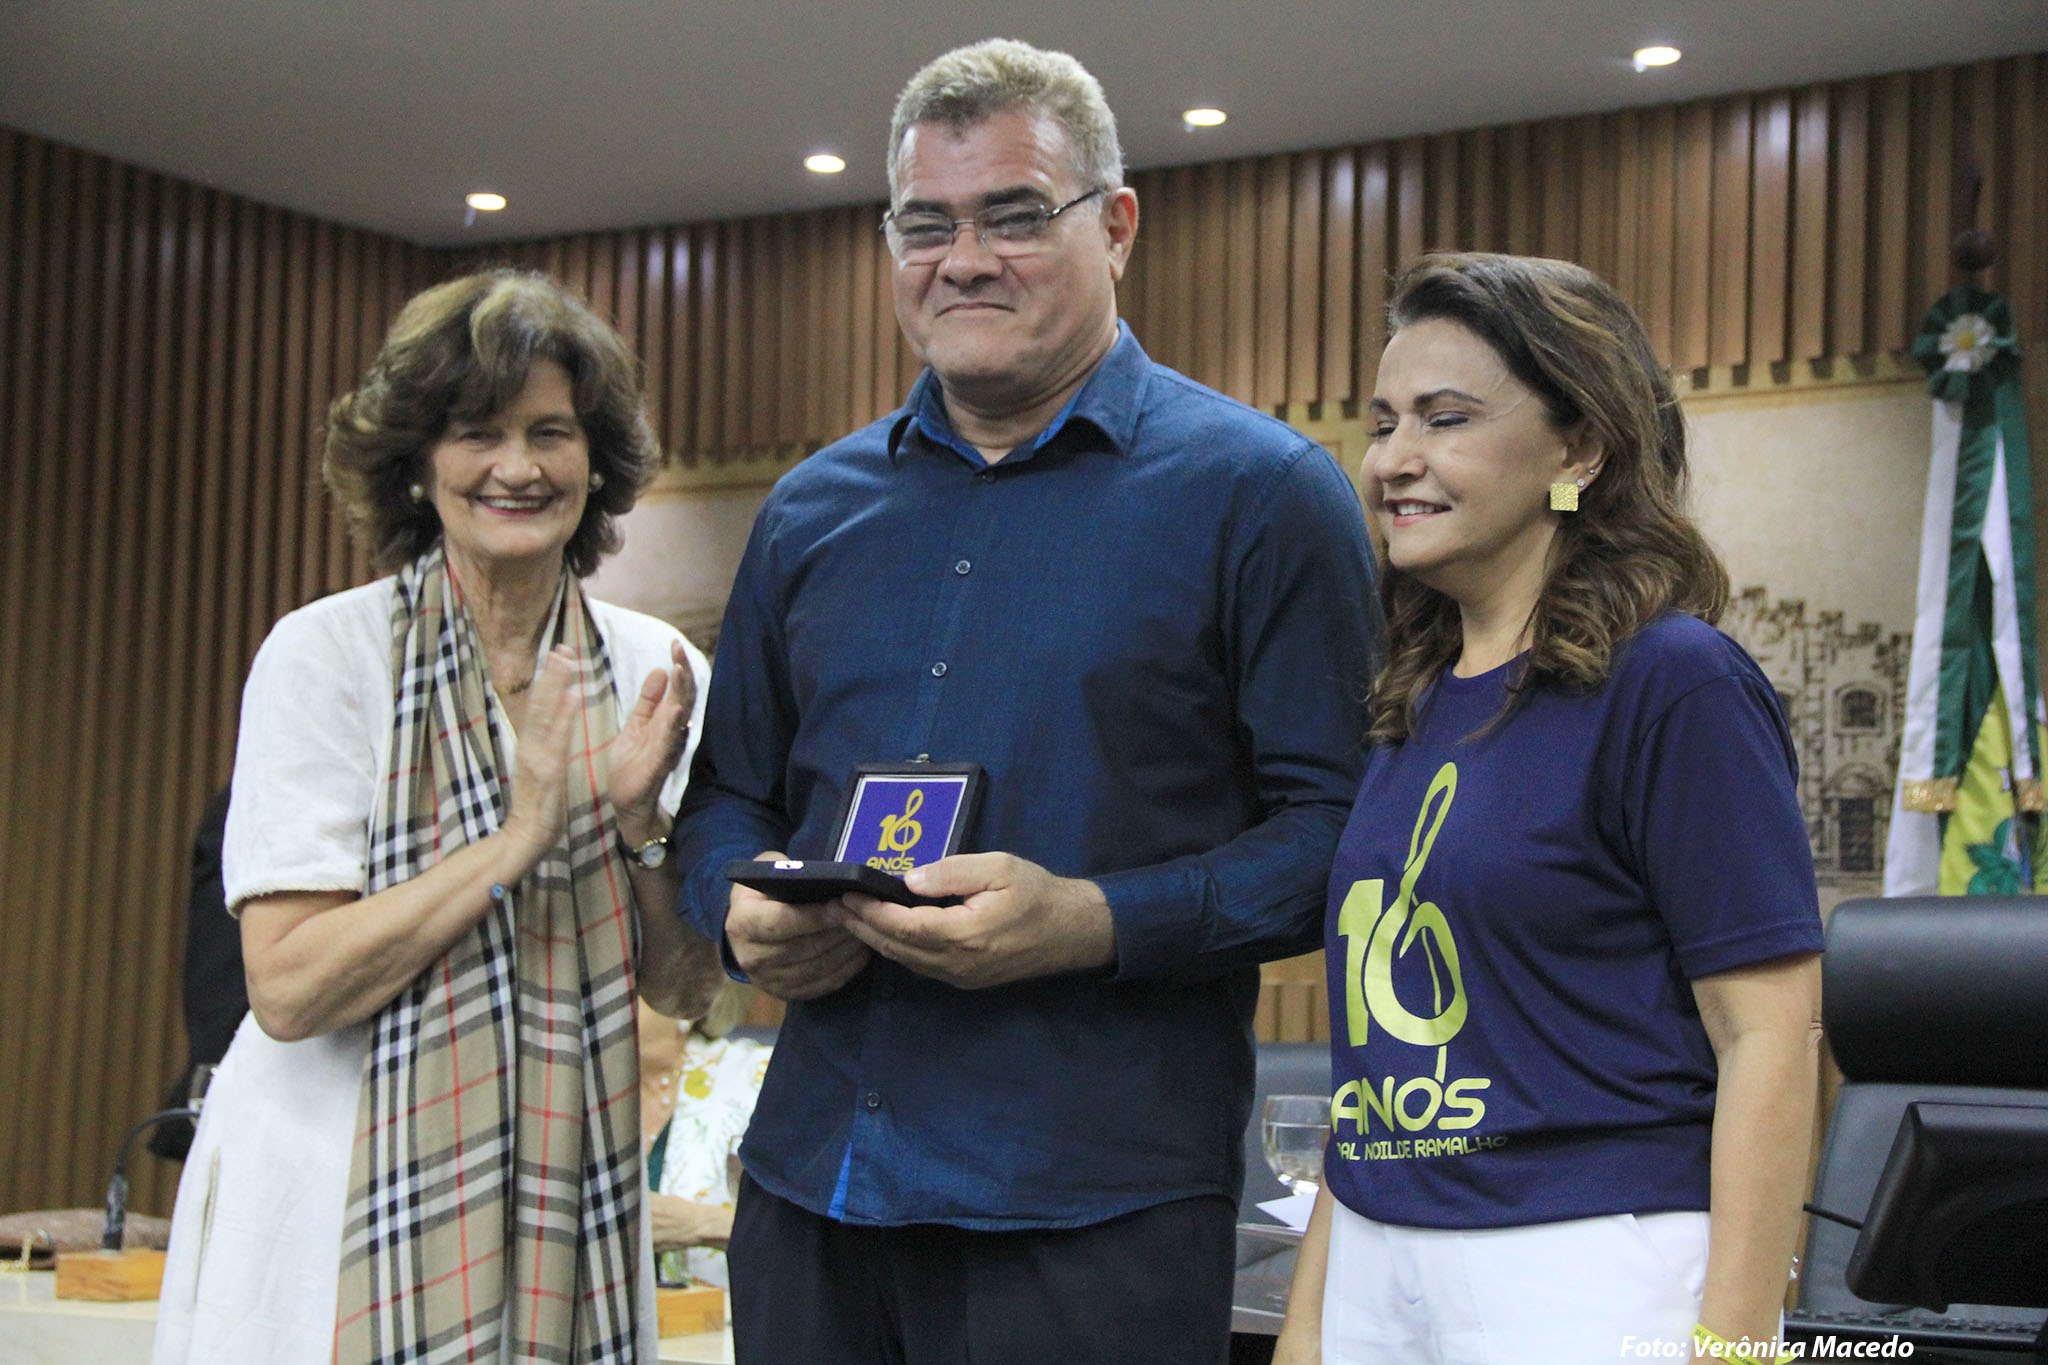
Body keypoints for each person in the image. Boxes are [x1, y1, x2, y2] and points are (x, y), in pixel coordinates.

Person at [672, 37, 1380, 1365]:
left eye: (1012, 216)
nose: (964, 259)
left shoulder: (1263, 496)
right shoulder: (811, 512)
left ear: (1115, 227)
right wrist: (738, 912)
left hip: (1094, 1214)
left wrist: (1093, 923)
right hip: (811, 1193)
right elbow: (726, 800)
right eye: (924, 224)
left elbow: (1343, 834)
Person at [153, 269, 722, 1365]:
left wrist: (641, 831)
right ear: (417, 465)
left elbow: (687, 990)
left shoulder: (657, 665)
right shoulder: (325, 655)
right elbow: (287, 988)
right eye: (477, 434)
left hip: (570, 1202)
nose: (518, 467)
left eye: (550, 432)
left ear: (596, 461)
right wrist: (516, 841)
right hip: (330, 1208)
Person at [1273, 253, 1825, 1365]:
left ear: (1578, 449)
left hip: (1582, 1266)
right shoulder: (1412, 699)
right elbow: (1373, 1078)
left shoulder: (1675, 681)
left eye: (1444, 419)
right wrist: (1306, 1326)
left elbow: (1768, 1036)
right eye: (1382, 423)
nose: (1393, 459)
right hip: (1377, 1258)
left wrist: (1737, 1345)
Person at [638, 985, 770, 1289]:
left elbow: (819, 1246)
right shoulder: (567, 1094)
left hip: (724, 1313)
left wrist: (703, 1224)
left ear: (687, 1004)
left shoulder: (762, 1081)